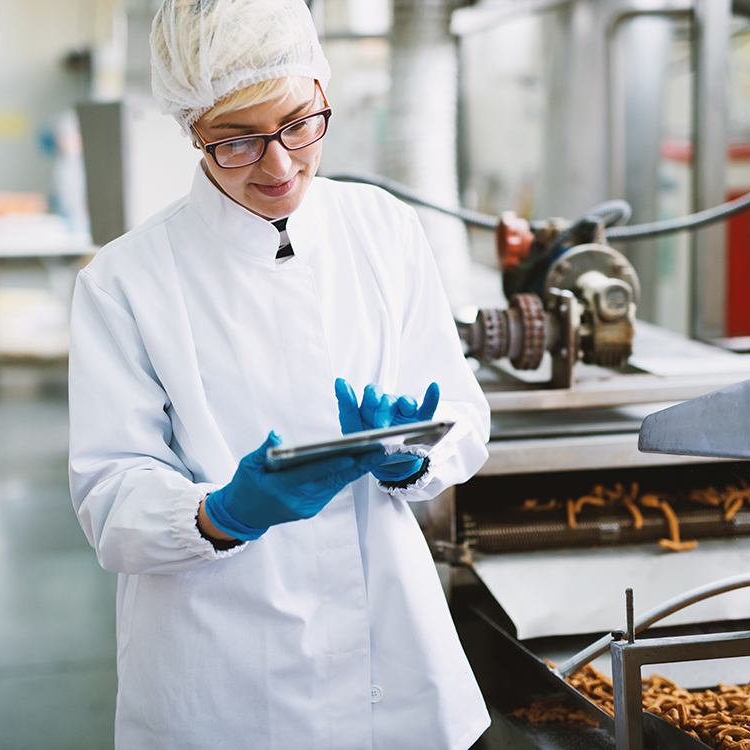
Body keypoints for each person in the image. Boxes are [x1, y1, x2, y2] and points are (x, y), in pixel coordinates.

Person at [66, 0, 492, 747]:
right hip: (222, 678)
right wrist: (222, 513)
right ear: (191, 131)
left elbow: (460, 410)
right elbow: (108, 494)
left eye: (299, 123)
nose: (280, 163)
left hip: (388, 670)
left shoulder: (382, 227)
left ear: (322, 92)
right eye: (237, 140)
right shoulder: (126, 281)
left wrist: (411, 456)